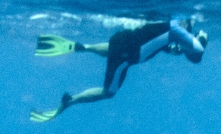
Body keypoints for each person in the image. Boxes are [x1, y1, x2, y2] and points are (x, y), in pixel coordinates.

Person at [28, 15, 206, 123]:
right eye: (190, 29)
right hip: (127, 56)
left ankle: (83, 47)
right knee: (109, 92)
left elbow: (159, 41)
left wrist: (177, 48)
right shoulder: (177, 30)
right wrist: (202, 39)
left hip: (119, 41)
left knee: (116, 49)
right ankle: (71, 101)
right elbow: (196, 53)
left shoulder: (166, 22)